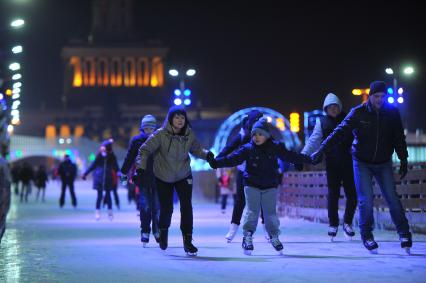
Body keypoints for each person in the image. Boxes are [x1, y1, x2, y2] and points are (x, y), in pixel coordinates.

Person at [311, 81, 412, 254]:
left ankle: (404, 233)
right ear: (370, 96)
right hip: (362, 162)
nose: (380, 100)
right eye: (376, 96)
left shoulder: (392, 113)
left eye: (383, 97)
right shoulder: (358, 113)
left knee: (392, 198)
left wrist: (403, 159)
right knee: (366, 200)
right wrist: (321, 150)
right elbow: (339, 132)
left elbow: (398, 138)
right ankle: (367, 235)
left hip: (383, 162)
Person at [209, 118, 312, 255]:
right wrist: (216, 162)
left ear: (267, 135)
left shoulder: (275, 147)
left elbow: (289, 156)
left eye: (260, 134)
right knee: (252, 211)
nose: (256, 137)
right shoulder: (247, 148)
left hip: (270, 185)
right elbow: (232, 158)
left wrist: (308, 159)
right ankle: (247, 236)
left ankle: (274, 236)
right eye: (254, 134)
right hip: (251, 184)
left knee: (270, 213)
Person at [135, 106, 212, 256]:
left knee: (187, 207)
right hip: (163, 175)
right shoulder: (160, 134)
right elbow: (144, 150)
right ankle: (163, 232)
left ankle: (188, 241)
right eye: (177, 117)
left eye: (182, 118)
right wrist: (141, 168)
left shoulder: (188, 134)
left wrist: (207, 155)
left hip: (184, 175)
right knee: (166, 208)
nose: (180, 120)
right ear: (170, 119)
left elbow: (196, 149)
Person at [301, 93, 357, 241]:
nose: (333, 109)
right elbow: (314, 140)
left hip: (349, 162)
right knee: (333, 194)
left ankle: (347, 222)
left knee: (352, 194)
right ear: (325, 108)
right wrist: (303, 155)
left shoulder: (349, 118)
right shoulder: (322, 122)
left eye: (335, 106)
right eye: (330, 107)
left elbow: (358, 137)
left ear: (339, 107)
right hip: (332, 164)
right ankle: (333, 224)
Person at [216, 110, 268, 242]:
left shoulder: (264, 133)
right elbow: (229, 147)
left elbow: (276, 148)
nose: (260, 122)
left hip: (260, 171)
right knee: (240, 201)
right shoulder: (243, 133)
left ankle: (268, 230)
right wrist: (217, 159)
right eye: (257, 120)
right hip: (243, 171)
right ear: (251, 121)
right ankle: (233, 229)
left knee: (262, 201)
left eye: (261, 120)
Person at [120, 114, 160, 246]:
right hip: (142, 178)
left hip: (158, 178)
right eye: (147, 128)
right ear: (143, 128)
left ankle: (157, 230)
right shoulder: (136, 140)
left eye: (151, 128)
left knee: (157, 207)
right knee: (145, 206)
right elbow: (129, 157)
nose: (149, 130)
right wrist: (124, 172)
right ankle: (145, 231)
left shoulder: (160, 139)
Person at [83, 139, 119, 220]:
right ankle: (97, 212)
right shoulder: (99, 155)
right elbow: (93, 165)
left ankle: (110, 212)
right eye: (102, 147)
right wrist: (85, 173)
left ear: (108, 148)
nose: (102, 148)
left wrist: (120, 174)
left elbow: (116, 167)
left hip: (108, 178)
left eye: (104, 147)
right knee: (99, 196)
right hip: (99, 178)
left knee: (108, 195)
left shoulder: (112, 156)